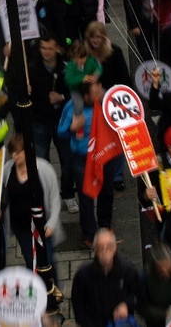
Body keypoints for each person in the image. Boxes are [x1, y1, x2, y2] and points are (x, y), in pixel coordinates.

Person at [58, 81, 114, 246]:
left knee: (107, 192)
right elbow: (60, 132)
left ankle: (105, 226)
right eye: (96, 93)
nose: (100, 94)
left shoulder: (107, 102)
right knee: (86, 198)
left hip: (105, 155)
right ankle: (90, 234)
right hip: (84, 161)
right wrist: (72, 128)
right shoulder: (73, 107)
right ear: (85, 96)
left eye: (100, 90)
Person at [27, 31, 75, 212]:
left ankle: (68, 194)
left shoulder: (66, 67)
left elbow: (77, 91)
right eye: (43, 48)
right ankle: (47, 195)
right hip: (40, 121)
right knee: (42, 164)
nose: (46, 52)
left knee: (67, 161)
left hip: (62, 121)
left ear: (57, 49)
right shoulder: (32, 68)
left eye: (50, 48)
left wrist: (62, 96)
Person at [4, 134, 64, 271]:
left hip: (42, 227)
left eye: (18, 152)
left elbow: (54, 198)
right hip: (21, 226)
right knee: (31, 261)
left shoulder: (44, 169)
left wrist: (52, 223)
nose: (14, 155)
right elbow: (3, 194)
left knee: (47, 260)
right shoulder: (8, 169)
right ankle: (37, 289)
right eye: (12, 152)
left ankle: (53, 287)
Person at [84, 21, 131, 190]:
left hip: (112, 102)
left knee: (116, 139)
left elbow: (124, 78)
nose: (95, 40)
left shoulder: (114, 52)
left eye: (98, 37)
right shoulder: (85, 55)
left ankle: (117, 175)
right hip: (92, 103)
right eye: (92, 37)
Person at [71, 229, 140, 327]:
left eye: (108, 246)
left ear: (115, 248)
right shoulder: (83, 275)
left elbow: (137, 294)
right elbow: (78, 305)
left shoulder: (128, 270)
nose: (104, 251)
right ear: (94, 249)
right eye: (100, 247)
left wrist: (126, 304)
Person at [138, 243, 171, 327]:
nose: (165, 272)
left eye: (168, 267)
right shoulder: (145, 276)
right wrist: (164, 313)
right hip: (157, 322)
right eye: (161, 269)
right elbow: (141, 307)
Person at [64, 40, 102, 140]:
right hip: (76, 89)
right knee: (79, 104)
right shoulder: (71, 66)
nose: (82, 60)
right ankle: (79, 126)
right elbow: (69, 80)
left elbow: (99, 68)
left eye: (84, 57)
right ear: (73, 57)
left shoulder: (90, 61)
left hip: (89, 87)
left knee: (104, 94)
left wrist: (95, 76)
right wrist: (82, 78)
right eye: (79, 58)